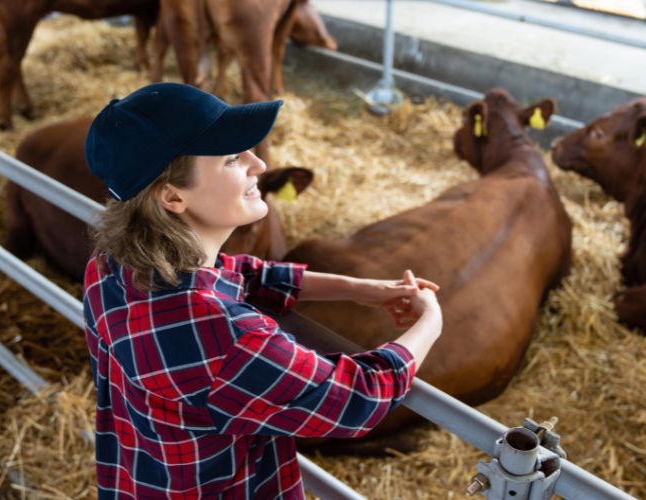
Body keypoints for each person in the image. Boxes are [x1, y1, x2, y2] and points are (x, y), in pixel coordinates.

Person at [81, 82, 443, 499]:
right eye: (233, 158)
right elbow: (356, 397)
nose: (257, 164)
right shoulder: (223, 334)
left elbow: (241, 273)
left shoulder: (111, 267)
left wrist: (356, 288)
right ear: (173, 196)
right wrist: (430, 320)